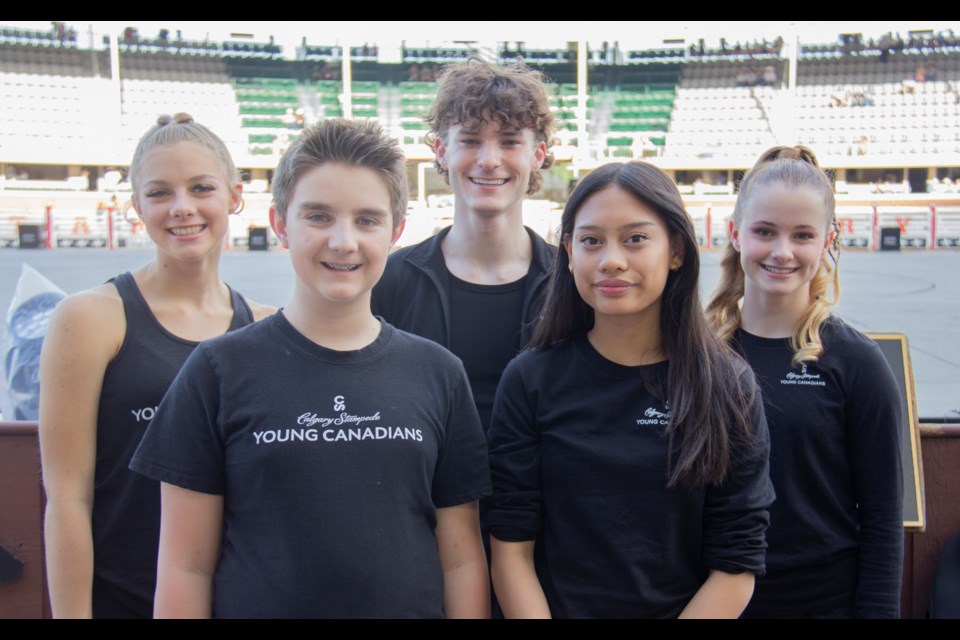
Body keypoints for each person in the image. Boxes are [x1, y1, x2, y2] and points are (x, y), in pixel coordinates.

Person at [130, 118, 491, 618]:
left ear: (396, 232)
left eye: (367, 220)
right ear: (281, 224)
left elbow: (461, 562)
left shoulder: (439, 374)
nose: (343, 241)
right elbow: (184, 568)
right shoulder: (216, 371)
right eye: (318, 216)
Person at [486, 161, 775, 618]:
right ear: (568, 252)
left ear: (677, 249)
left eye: (635, 239)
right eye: (591, 241)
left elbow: (736, 561)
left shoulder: (728, 386)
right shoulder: (529, 380)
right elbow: (511, 543)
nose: (611, 260)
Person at [39, 113, 274, 618]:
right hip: (122, 602)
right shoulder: (90, 319)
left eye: (201, 188)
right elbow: (67, 499)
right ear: (136, 207)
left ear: (234, 197)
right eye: (160, 192)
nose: (182, 208)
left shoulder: (265, 326)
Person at [706, 145, 903, 618]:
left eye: (802, 235)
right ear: (735, 233)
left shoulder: (856, 363)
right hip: (710, 600)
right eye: (765, 232)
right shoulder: (699, 356)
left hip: (823, 603)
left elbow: (882, 517)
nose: (782, 251)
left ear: (828, 239)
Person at [372, 58, 556, 434]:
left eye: (510, 141)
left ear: (537, 155)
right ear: (441, 151)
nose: (489, 160)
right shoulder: (391, 280)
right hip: (427, 494)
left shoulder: (571, 281)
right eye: (470, 140)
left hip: (539, 493)